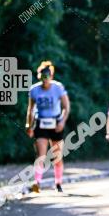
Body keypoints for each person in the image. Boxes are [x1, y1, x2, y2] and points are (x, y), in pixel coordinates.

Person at [25, 61, 70, 193]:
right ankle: (37, 183)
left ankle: (58, 183)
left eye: (48, 76)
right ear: (40, 77)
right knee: (41, 155)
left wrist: (62, 121)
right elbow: (30, 109)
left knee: (57, 156)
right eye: (43, 77)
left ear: (51, 76)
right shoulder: (34, 89)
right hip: (41, 123)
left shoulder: (58, 87)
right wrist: (29, 125)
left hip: (56, 122)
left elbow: (66, 107)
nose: (46, 80)